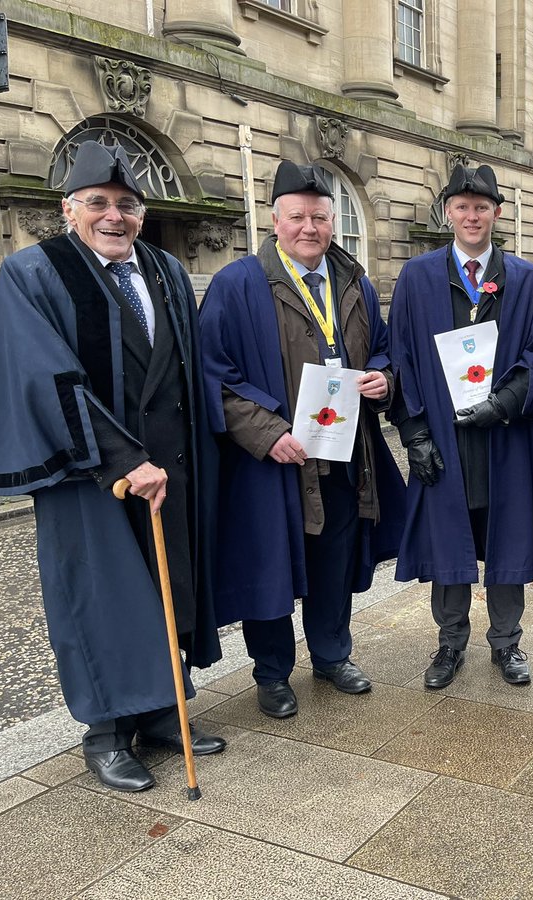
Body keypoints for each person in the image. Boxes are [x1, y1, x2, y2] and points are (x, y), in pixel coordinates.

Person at [0, 141, 225, 792]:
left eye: (127, 205)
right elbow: (45, 376)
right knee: (102, 598)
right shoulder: (35, 273)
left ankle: (163, 715)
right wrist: (122, 459)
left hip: (170, 467)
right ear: (69, 210)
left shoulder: (166, 271)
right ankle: (108, 734)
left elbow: (183, 369)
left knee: (164, 588)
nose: (114, 216)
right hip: (88, 470)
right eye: (98, 204)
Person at [199, 160, 405, 719]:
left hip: (341, 451)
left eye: (319, 216)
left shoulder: (355, 282)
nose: (308, 227)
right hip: (274, 460)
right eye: (297, 216)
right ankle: (271, 674)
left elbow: (382, 349)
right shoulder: (236, 284)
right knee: (270, 563)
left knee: (333, 559)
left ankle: (333, 655)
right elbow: (212, 377)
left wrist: (384, 377)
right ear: (274, 220)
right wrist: (268, 433)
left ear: (332, 222)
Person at [387, 162, 533, 689]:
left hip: (504, 436)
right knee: (448, 543)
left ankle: (507, 642)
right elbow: (402, 356)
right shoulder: (417, 277)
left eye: (482, 207)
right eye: (462, 206)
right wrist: (414, 435)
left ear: (497, 213)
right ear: (448, 213)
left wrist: (502, 404)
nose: (472, 215)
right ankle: (450, 643)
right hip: (443, 435)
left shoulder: (523, 280)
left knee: (508, 539)